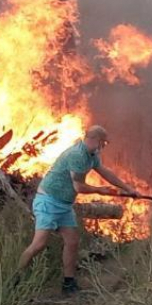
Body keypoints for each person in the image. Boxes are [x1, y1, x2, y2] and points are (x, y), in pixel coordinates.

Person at [17, 125, 138, 295]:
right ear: (95, 140)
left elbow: (105, 172)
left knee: (72, 241)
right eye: (104, 142)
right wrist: (100, 190)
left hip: (64, 205)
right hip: (48, 202)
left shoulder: (92, 154)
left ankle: (69, 283)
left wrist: (127, 188)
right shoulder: (78, 155)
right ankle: (16, 280)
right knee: (39, 244)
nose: (104, 146)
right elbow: (79, 187)